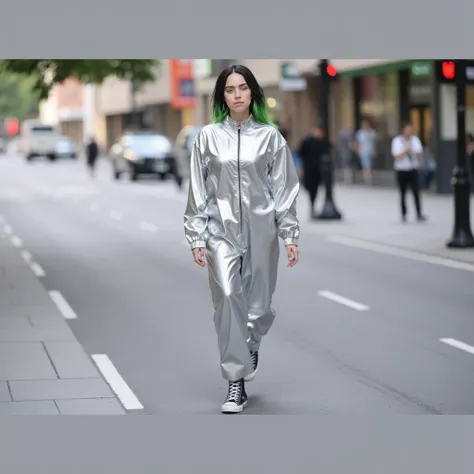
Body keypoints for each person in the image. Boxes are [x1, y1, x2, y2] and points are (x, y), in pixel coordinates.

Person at [183, 64, 300, 414]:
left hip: (262, 233)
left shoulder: (270, 137)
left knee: (259, 308)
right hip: (220, 233)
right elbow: (198, 190)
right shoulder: (207, 137)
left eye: (243, 88)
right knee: (229, 299)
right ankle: (236, 383)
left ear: (253, 93)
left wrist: (290, 233)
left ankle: (251, 342)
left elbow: (284, 189)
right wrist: (196, 235)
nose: (237, 95)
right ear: (222, 96)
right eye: (230, 89)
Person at [391, 122, 427, 222]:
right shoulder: (397, 141)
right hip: (401, 170)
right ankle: (403, 214)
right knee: (403, 193)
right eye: (408, 129)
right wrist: (405, 150)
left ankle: (419, 213)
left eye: (411, 129)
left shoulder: (415, 140)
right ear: (403, 130)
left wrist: (411, 149)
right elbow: (396, 156)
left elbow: (419, 153)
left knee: (416, 192)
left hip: (413, 169)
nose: (409, 131)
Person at [297, 125, 328, 219]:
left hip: (317, 169)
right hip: (308, 168)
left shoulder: (321, 142)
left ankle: (313, 207)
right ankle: (312, 206)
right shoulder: (307, 141)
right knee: (309, 187)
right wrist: (300, 167)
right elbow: (300, 153)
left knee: (315, 188)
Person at [354, 119, 377, 184]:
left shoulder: (372, 132)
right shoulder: (360, 133)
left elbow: (375, 141)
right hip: (363, 151)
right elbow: (357, 142)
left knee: (370, 165)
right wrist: (357, 150)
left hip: (371, 151)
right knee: (367, 164)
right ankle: (368, 178)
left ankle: (368, 176)